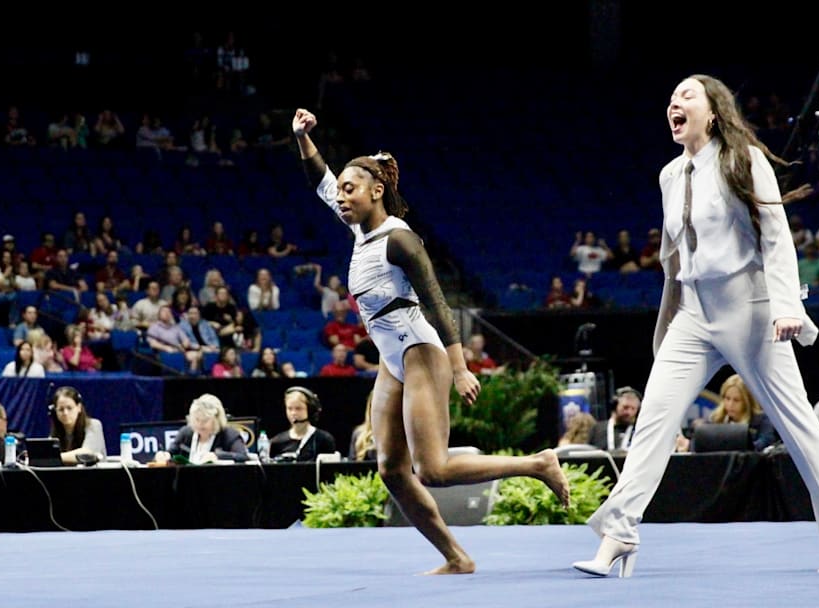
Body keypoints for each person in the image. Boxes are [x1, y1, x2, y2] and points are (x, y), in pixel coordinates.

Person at [572, 75, 819, 578]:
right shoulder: (671, 174)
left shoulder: (744, 159)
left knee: (798, 426)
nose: (675, 102)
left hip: (751, 310)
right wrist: (669, 316)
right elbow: (674, 257)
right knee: (653, 423)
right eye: (671, 97)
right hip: (693, 313)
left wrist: (786, 306)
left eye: (687, 95)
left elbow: (775, 236)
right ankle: (618, 537)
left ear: (713, 112)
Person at [293, 108, 568, 574]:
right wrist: (303, 137)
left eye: (349, 189)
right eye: (339, 191)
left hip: (422, 350)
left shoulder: (398, 239)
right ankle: (456, 558)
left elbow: (438, 301)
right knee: (391, 471)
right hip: (391, 357)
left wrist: (460, 367)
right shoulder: (357, 229)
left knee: (433, 470)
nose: (339, 196)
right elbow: (318, 176)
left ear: (376, 191)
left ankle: (539, 464)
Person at [155, 394, 247, 464]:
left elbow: (243, 456)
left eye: (205, 420)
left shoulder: (229, 434)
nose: (200, 424)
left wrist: (217, 456)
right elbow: (171, 452)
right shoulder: (185, 433)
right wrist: (164, 456)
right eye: (197, 419)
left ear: (217, 419)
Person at [267, 386, 337, 461]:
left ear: (310, 410)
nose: (293, 413)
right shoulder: (277, 442)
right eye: (289, 408)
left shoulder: (324, 440)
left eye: (298, 408)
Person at [48, 386, 107, 465]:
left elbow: (86, 454)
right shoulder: (55, 432)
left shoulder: (94, 425)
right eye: (61, 409)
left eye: (69, 408)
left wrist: (53, 457)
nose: (65, 413)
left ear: (79, 407)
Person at [588, 386, 640, 451]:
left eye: (633, 409)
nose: (629, 412)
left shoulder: (639, 431)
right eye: (625, 407)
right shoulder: (597, 430)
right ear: (615, 406)